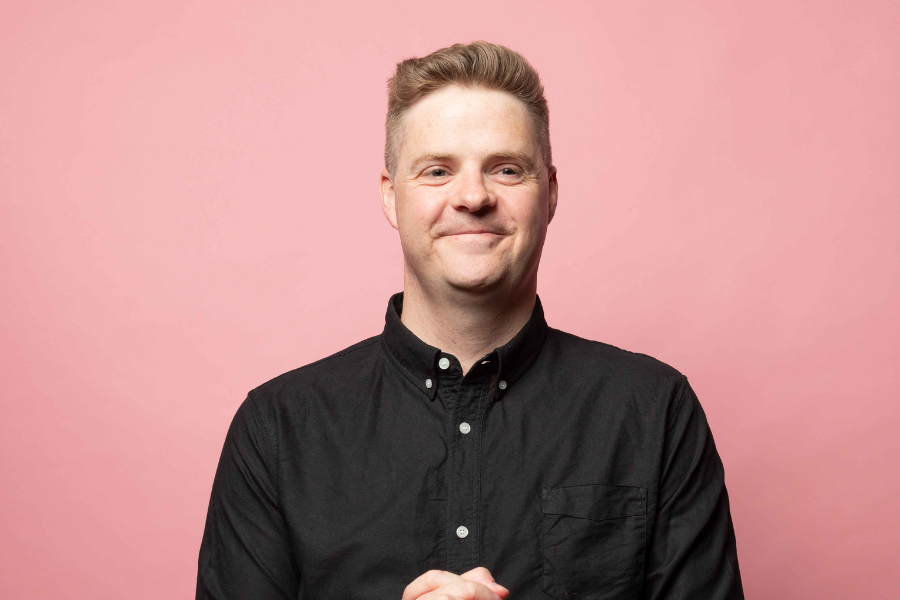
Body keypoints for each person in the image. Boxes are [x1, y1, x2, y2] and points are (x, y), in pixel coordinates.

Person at [196, 41, 743, 600]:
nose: (474, 196)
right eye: (437, 170)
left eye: (506, 169)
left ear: (550, 193)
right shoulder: (277, 430)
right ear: (391, 197)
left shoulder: (655, 412)